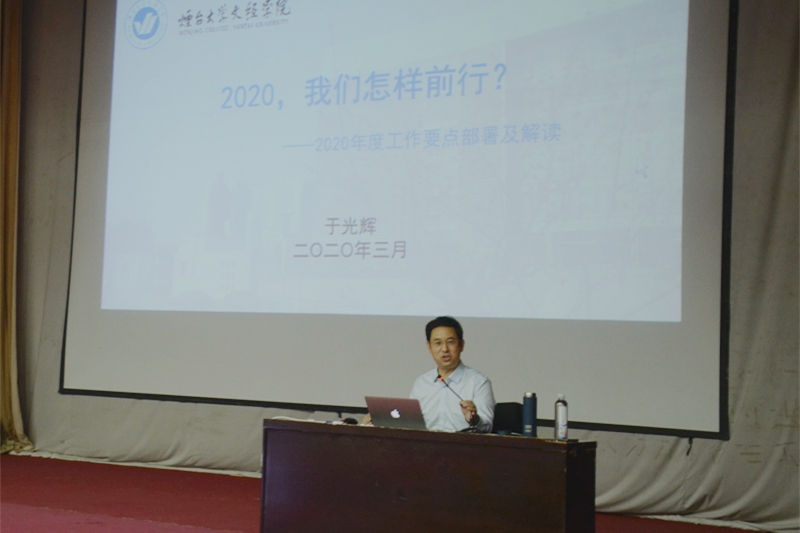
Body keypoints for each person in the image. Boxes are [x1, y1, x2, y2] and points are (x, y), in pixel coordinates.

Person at [409, 316, 495, 433]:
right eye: (438, 343)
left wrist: (474, 419)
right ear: (429, 347)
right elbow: (410, 424)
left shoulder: (478, 382)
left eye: (450, 342)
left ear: (461, 345)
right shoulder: (421, 383)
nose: (445, 349)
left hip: (463, 443)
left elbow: (487, 427)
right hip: (426, 443)